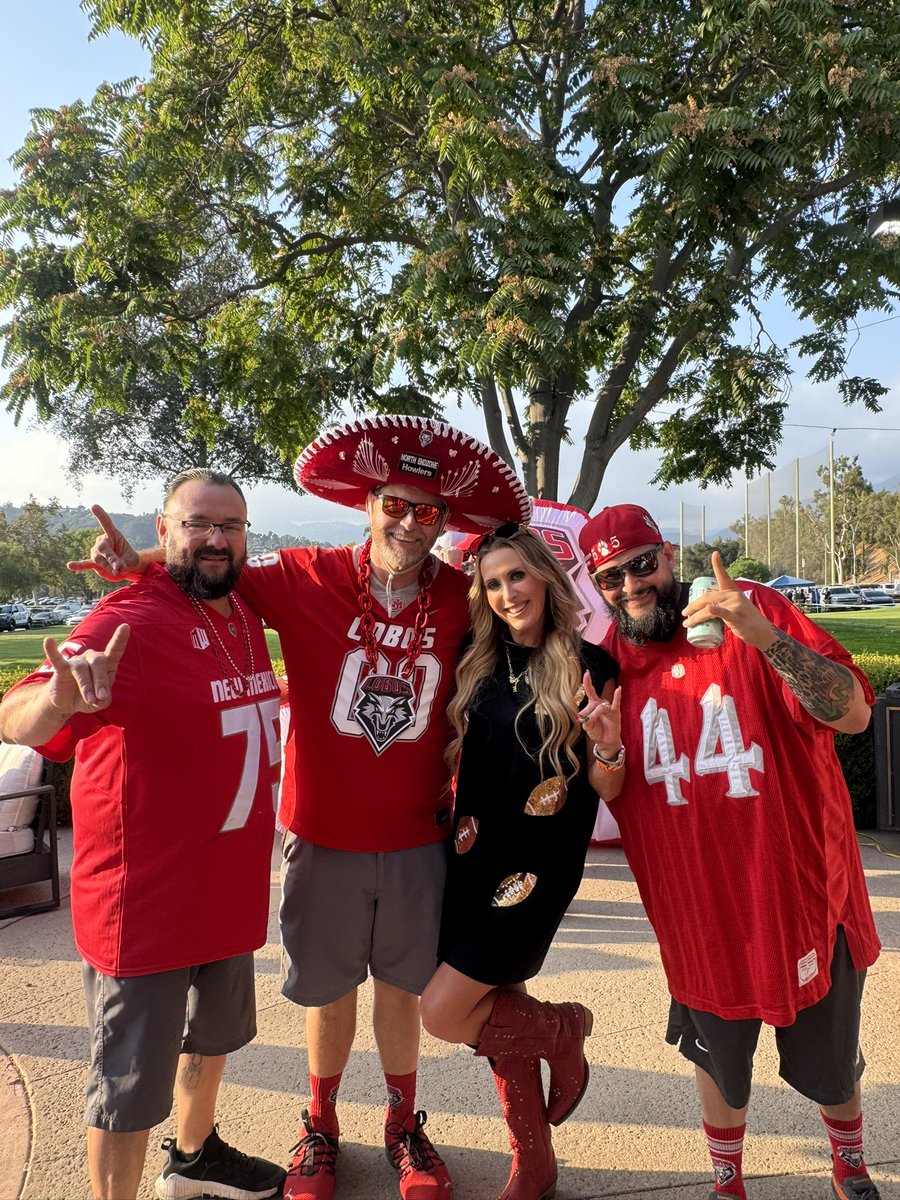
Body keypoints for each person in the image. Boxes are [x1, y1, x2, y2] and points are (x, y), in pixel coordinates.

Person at [74, 416, 532, 1200]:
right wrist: (138, 557)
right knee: (326, 994)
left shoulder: (463, 596)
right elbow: (207, 562)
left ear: (444, 522)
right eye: (396, 504)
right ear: (368, 504)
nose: (410, 523)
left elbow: (533, 621)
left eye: (429, 512)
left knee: (401, 993)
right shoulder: (307, 575)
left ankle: (401, 1125)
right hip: (322, 834)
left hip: (418, 834)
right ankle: (320, 1125)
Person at [577, 504, 883, 1200]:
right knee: (719, 1061)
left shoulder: (755, 610)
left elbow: (856, 714)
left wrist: (765, 638)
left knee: (832, 1057)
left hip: (804, 893)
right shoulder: (610, 663)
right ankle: (726, 1180)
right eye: (610, 578)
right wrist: (605, 744)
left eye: (642, 566)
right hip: (698, 910)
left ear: (669, 553)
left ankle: (850, 1163)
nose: (631, 587)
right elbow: (611, 783)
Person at [0, 469, 286, 1200]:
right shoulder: (130, 618)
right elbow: (17, 711)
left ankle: (193, 1157)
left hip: (226, 890)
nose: (216, 538)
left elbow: (214, 568)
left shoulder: (242, 611)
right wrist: (60, 699)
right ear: (166, 532)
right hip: (146, 904)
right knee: (127, 1087)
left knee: (213, 1039)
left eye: (231, 525)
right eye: (197, 524)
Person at [419, 524, 622, 1200]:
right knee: (502, 1010)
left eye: (518, 577)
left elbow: (607, 786)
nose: (508, 593)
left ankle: (564, 1029)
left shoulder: (592, 665)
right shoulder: (476, 661)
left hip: (536, 870)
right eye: (494, 582)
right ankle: (533, 1164)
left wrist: (609, 746)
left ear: (546, 579)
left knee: (444, 1012)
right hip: (472, 860)